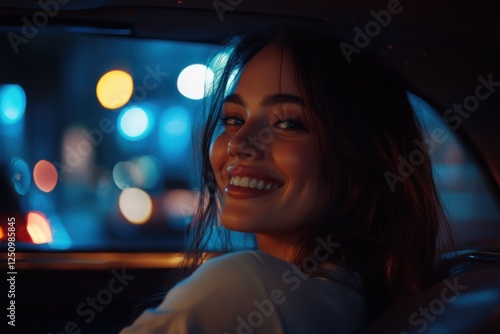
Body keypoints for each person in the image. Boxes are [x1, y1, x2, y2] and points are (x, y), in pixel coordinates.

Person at [120, 24, 453, 333]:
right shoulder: (353, 296)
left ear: (362, 156)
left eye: (288, 124)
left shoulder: (243, 286)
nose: (238, 144)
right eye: (233, 119)